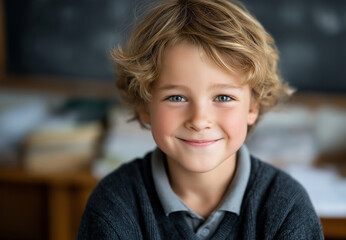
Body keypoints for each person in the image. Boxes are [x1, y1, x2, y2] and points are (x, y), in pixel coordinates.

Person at [78, 0, 323, 239]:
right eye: (176, 97)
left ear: (253, 106)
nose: (199, 120)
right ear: (145, 106)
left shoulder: (287, 209)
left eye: (224, 97)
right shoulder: (112, 206)